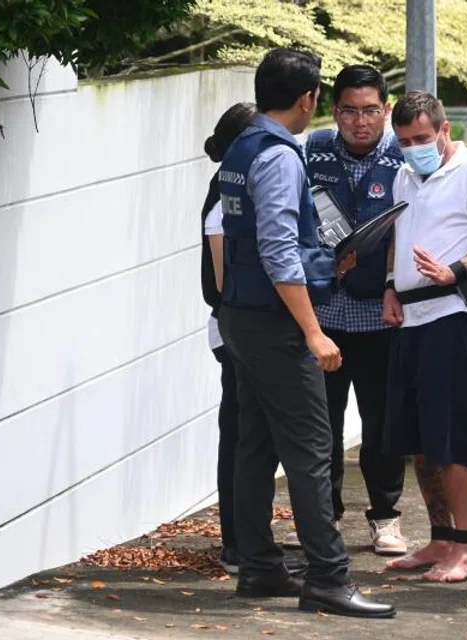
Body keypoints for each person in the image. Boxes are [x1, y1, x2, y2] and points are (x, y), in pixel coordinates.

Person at [216, 47, 394, 618]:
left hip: (242, 315)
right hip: (275, 324)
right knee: (313, 449)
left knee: (255, 443)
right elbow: (278, 254)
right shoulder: (280, 156)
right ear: (309, 98)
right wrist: (314, 332)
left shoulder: (243, 145)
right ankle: (329, 578)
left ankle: (259, 566)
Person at [381, 91, 467, 582]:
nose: (414, 148)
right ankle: (440, 538)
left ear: (444, 129)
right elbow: (396, 234)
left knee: (451, 439)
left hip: (449, 317)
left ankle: (466, 548)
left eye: (422, 138)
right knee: (419, 440)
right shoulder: (403, 176)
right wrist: (390, 287)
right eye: (405, 141)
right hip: (408, 318)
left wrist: (457, 268)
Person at [282, 65, 406, 556]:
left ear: (386, 110)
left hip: (381, 316)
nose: (360, 121)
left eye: (371, 110)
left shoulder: (403, 156)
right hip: (324, 319)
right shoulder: (311, 151)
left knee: (382, 425)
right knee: (321, 427)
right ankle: (322, 517)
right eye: (350, 111)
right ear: (333, 111)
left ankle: (386, 517)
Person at [200, 102, 257, 575]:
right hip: (235, 332)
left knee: (244, 433)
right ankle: (237, 544)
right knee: (240, 434)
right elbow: (224, 283)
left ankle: (244, 542)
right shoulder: (225, 196)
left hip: (238, 330)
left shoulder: (233, 186)